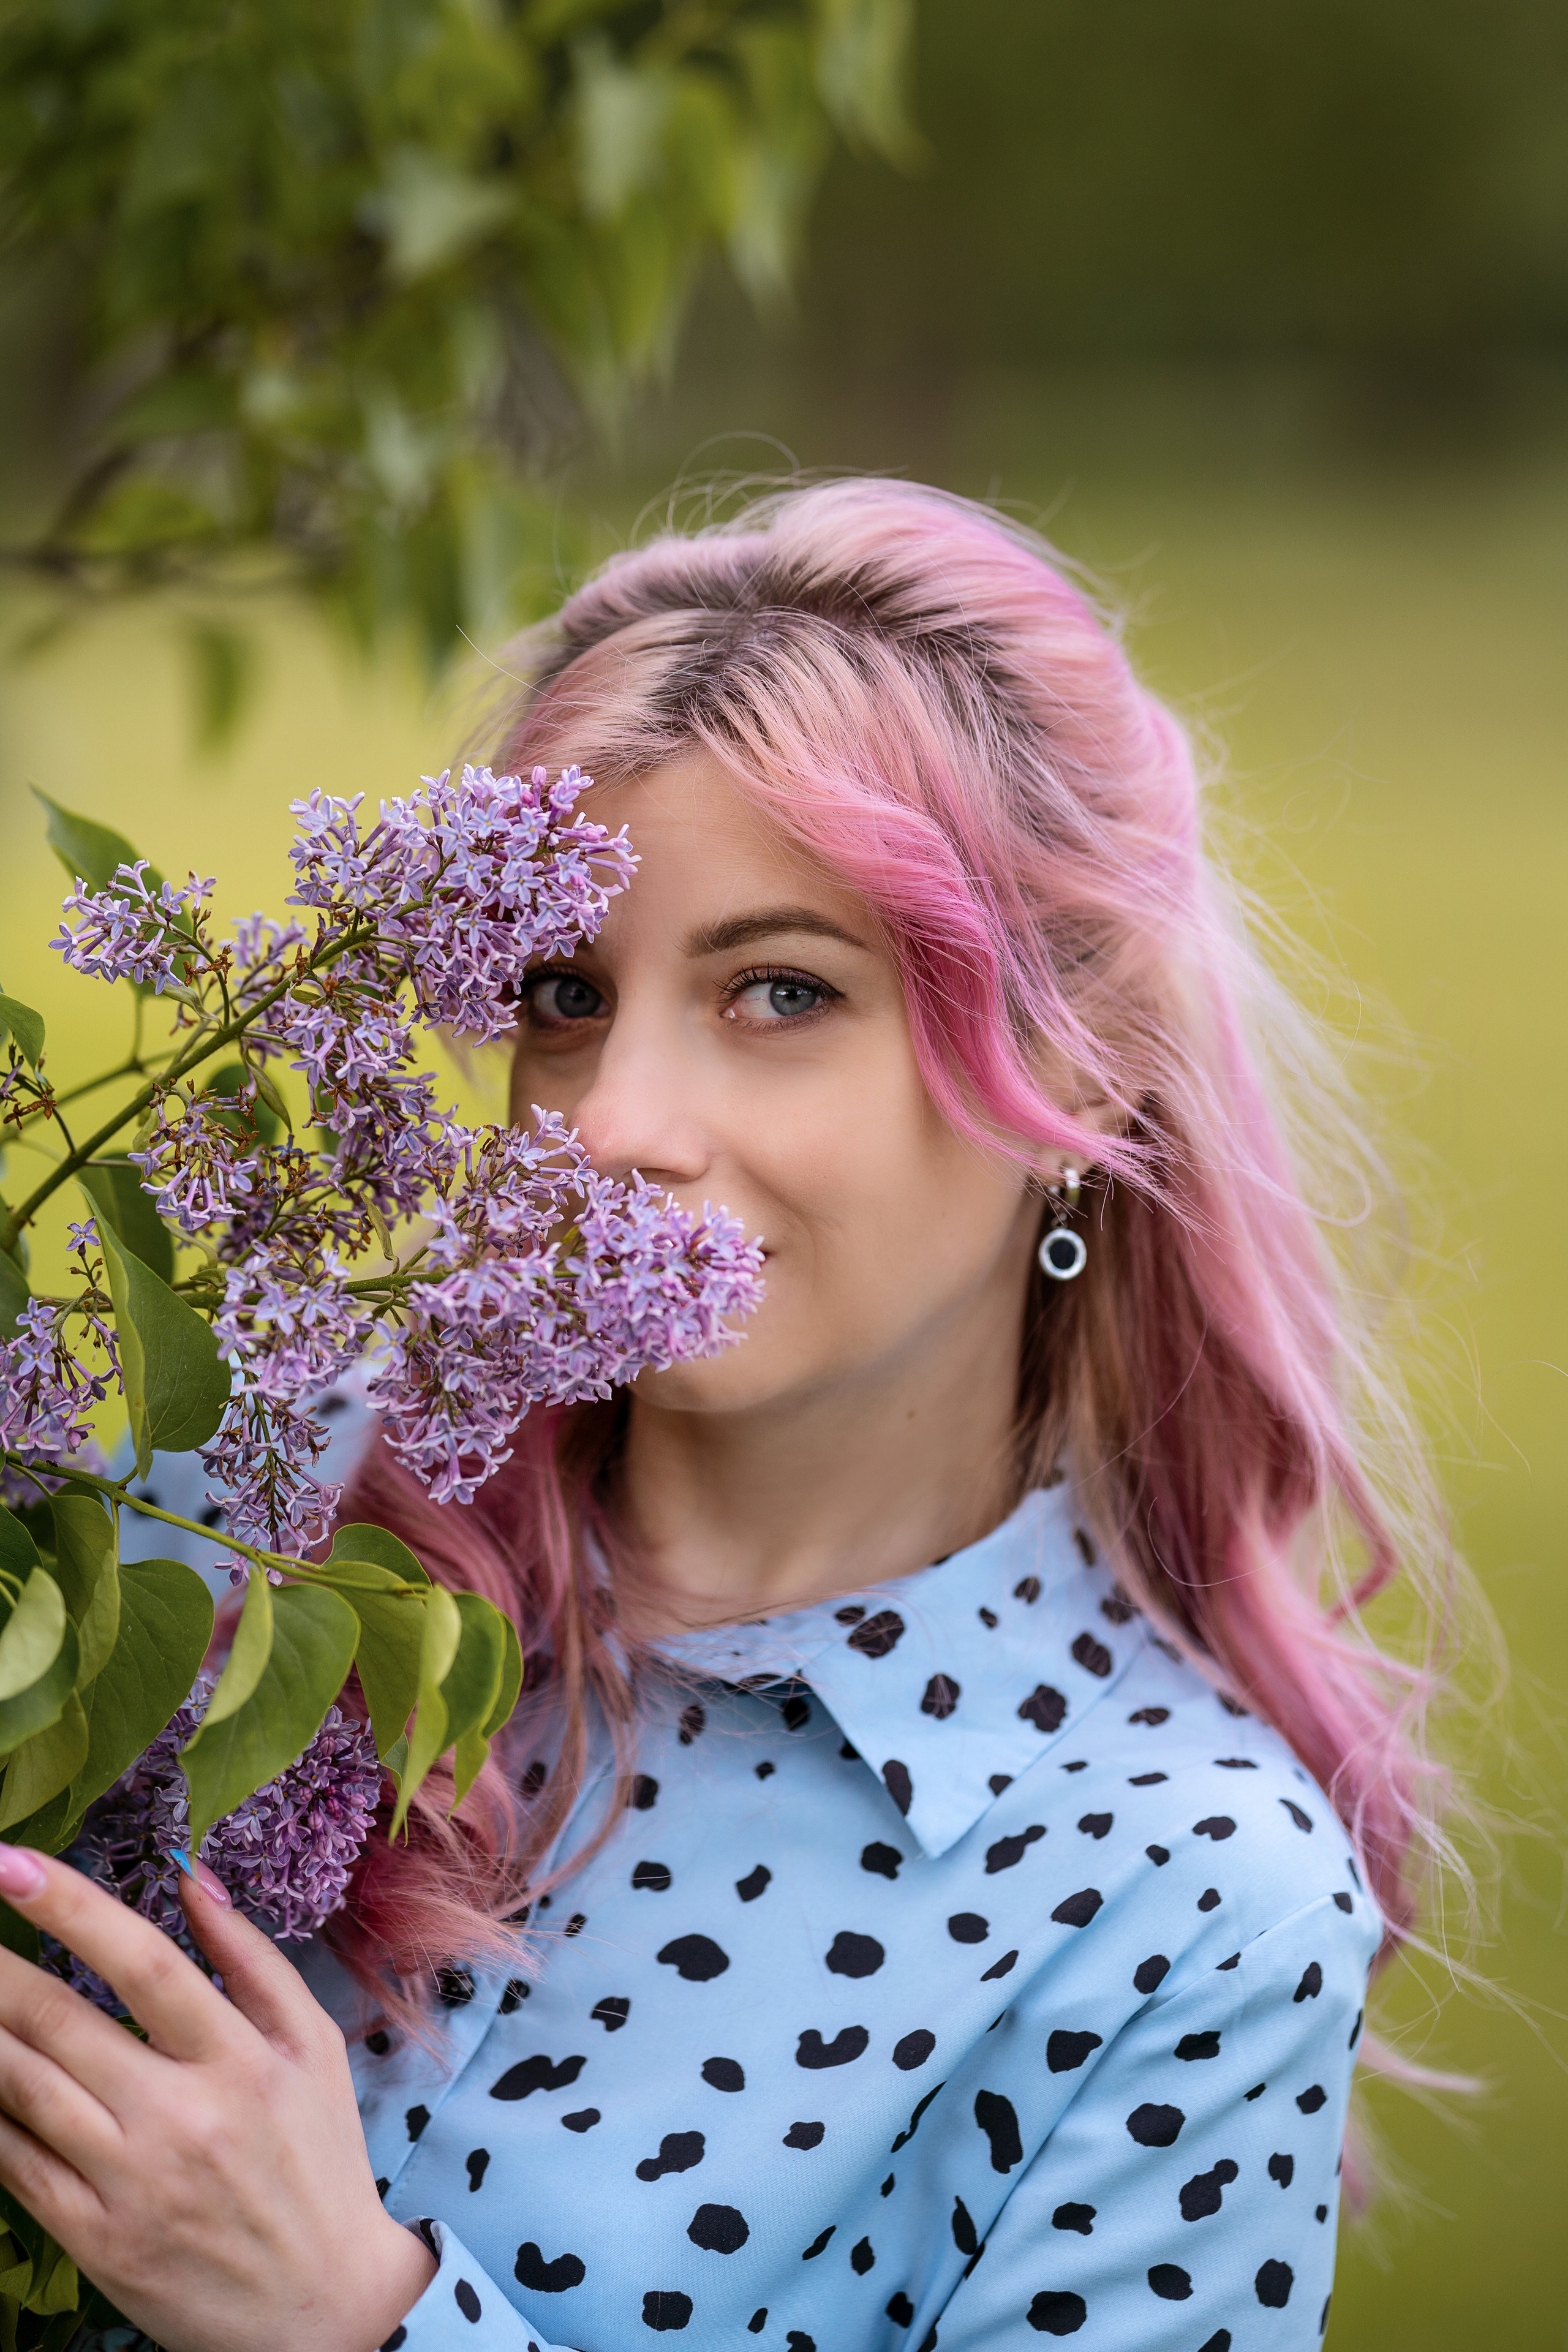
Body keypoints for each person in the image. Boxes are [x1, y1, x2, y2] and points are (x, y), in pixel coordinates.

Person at [0, 481, 1455, 2351]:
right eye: (564, 994)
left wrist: (354, 2323)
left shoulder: (1179, 1886)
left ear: (1076, 1062)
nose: (613, 1123)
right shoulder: (225, 1500)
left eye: (779, 991)